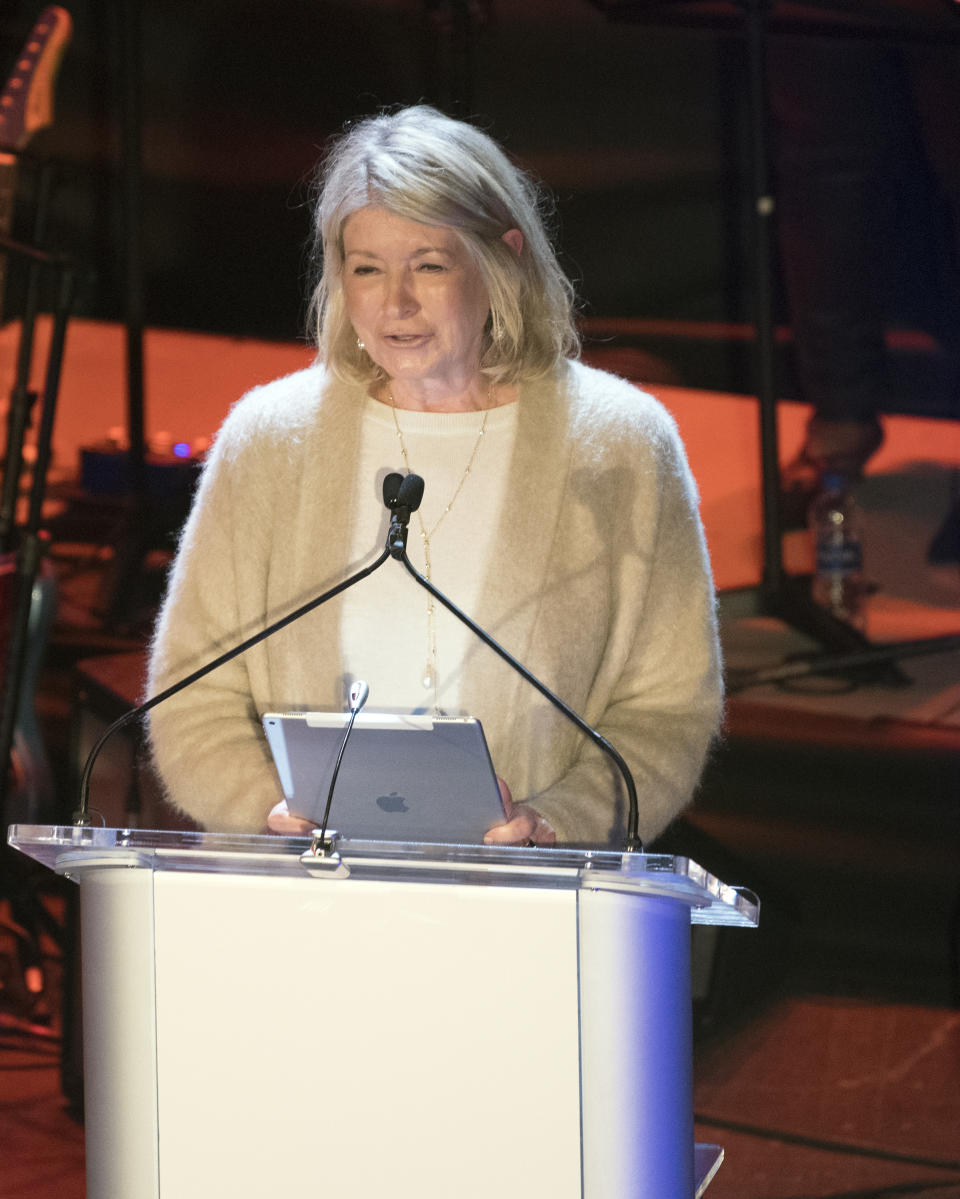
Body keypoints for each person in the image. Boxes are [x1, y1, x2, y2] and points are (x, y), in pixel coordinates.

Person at [146, 105, 722, 848]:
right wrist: (268, 809)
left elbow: (667, 710)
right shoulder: (270, 439)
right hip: (300, 901)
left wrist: (556, 824)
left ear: (504, 258)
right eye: (367, 269)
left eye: (429, 265)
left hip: (523, 907)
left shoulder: (622, 444)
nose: (397, 304)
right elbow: (191, 700)